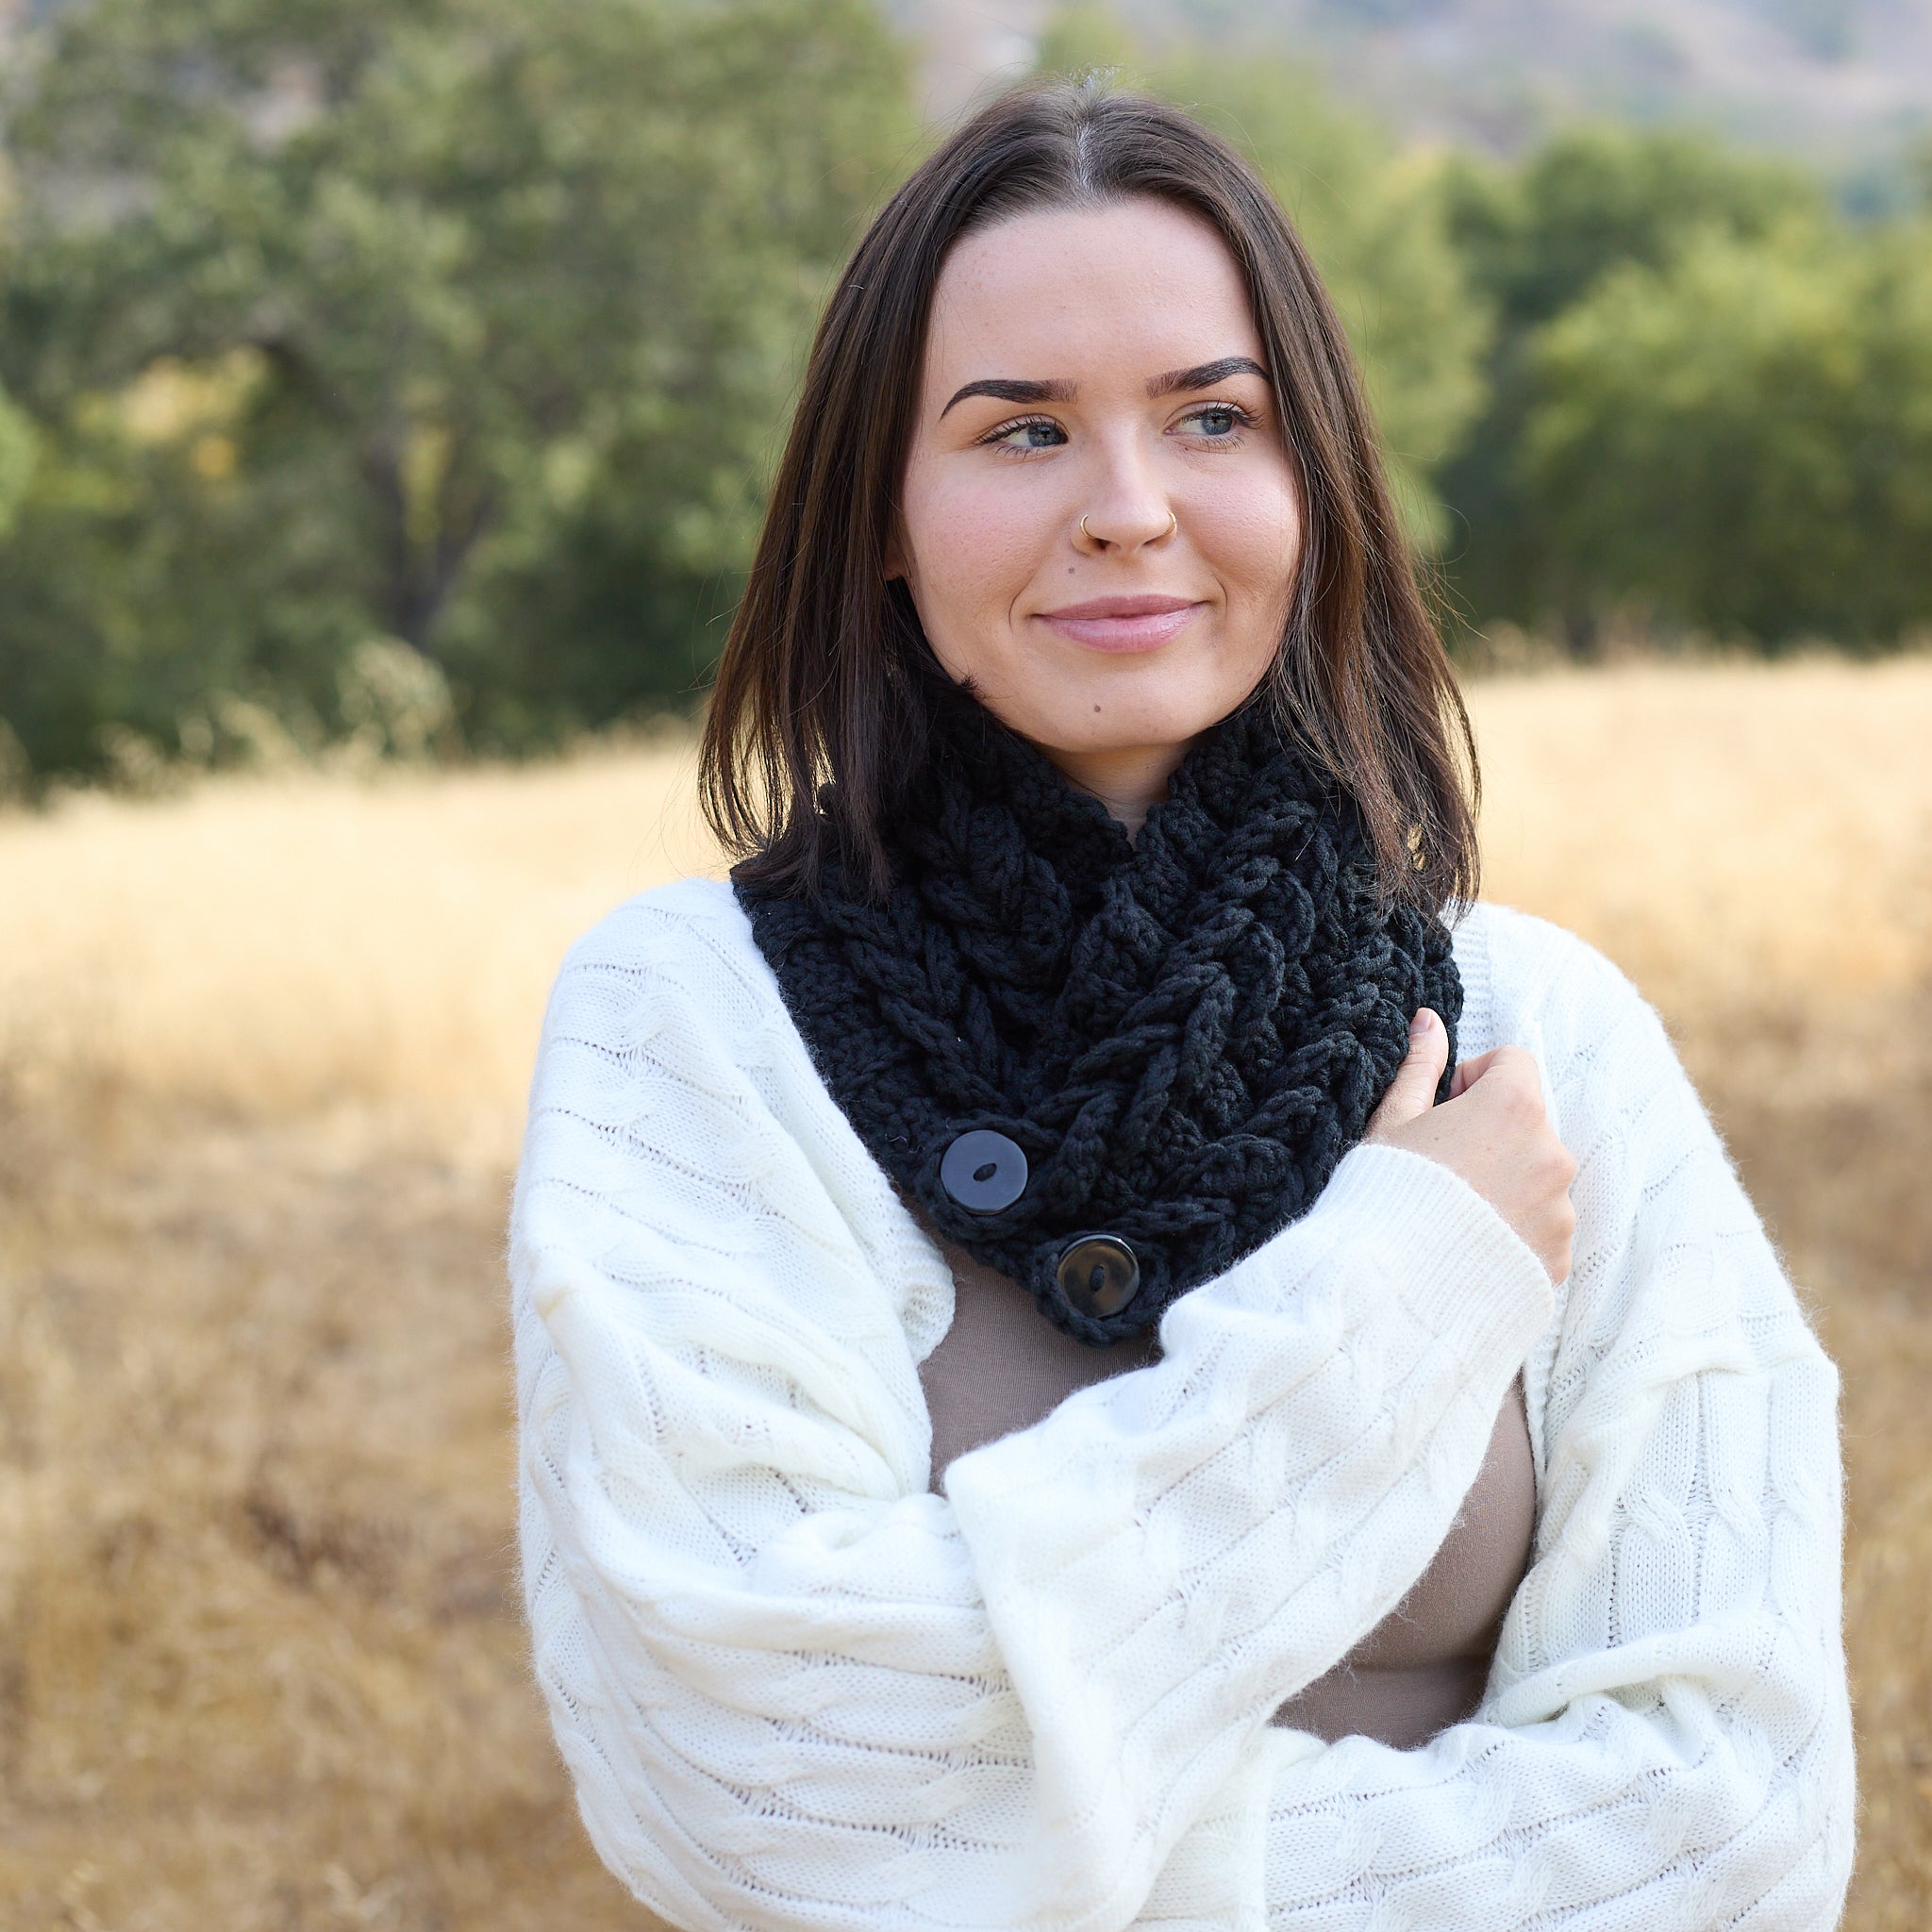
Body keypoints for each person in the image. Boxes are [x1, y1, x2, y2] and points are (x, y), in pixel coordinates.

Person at [509, 81, 1852, 1931]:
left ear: (1313, 487)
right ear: (886, 516)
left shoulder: (1546, 1031)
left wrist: (1052, 1863)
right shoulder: (694, 1026)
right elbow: (771, 1787)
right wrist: (1385, 1295)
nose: (1127, 510)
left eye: (1212, 418)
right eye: (1022, 432)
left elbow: (1734, 1815)